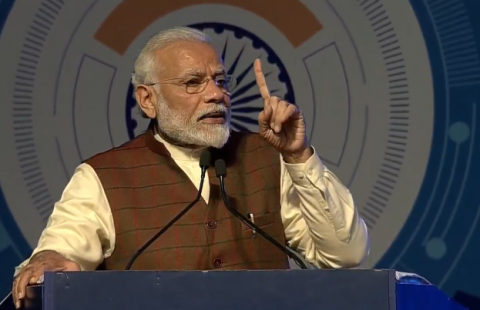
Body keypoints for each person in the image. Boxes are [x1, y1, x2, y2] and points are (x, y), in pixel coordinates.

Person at [12, 27, 369, 308]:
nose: (216, 94)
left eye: (220, 80)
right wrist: (46, 261)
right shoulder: (102, 176)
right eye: (193, 83)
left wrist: (299, 156)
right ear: (147, 100)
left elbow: (345, 254)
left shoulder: (269, 158)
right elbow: (60, 254)